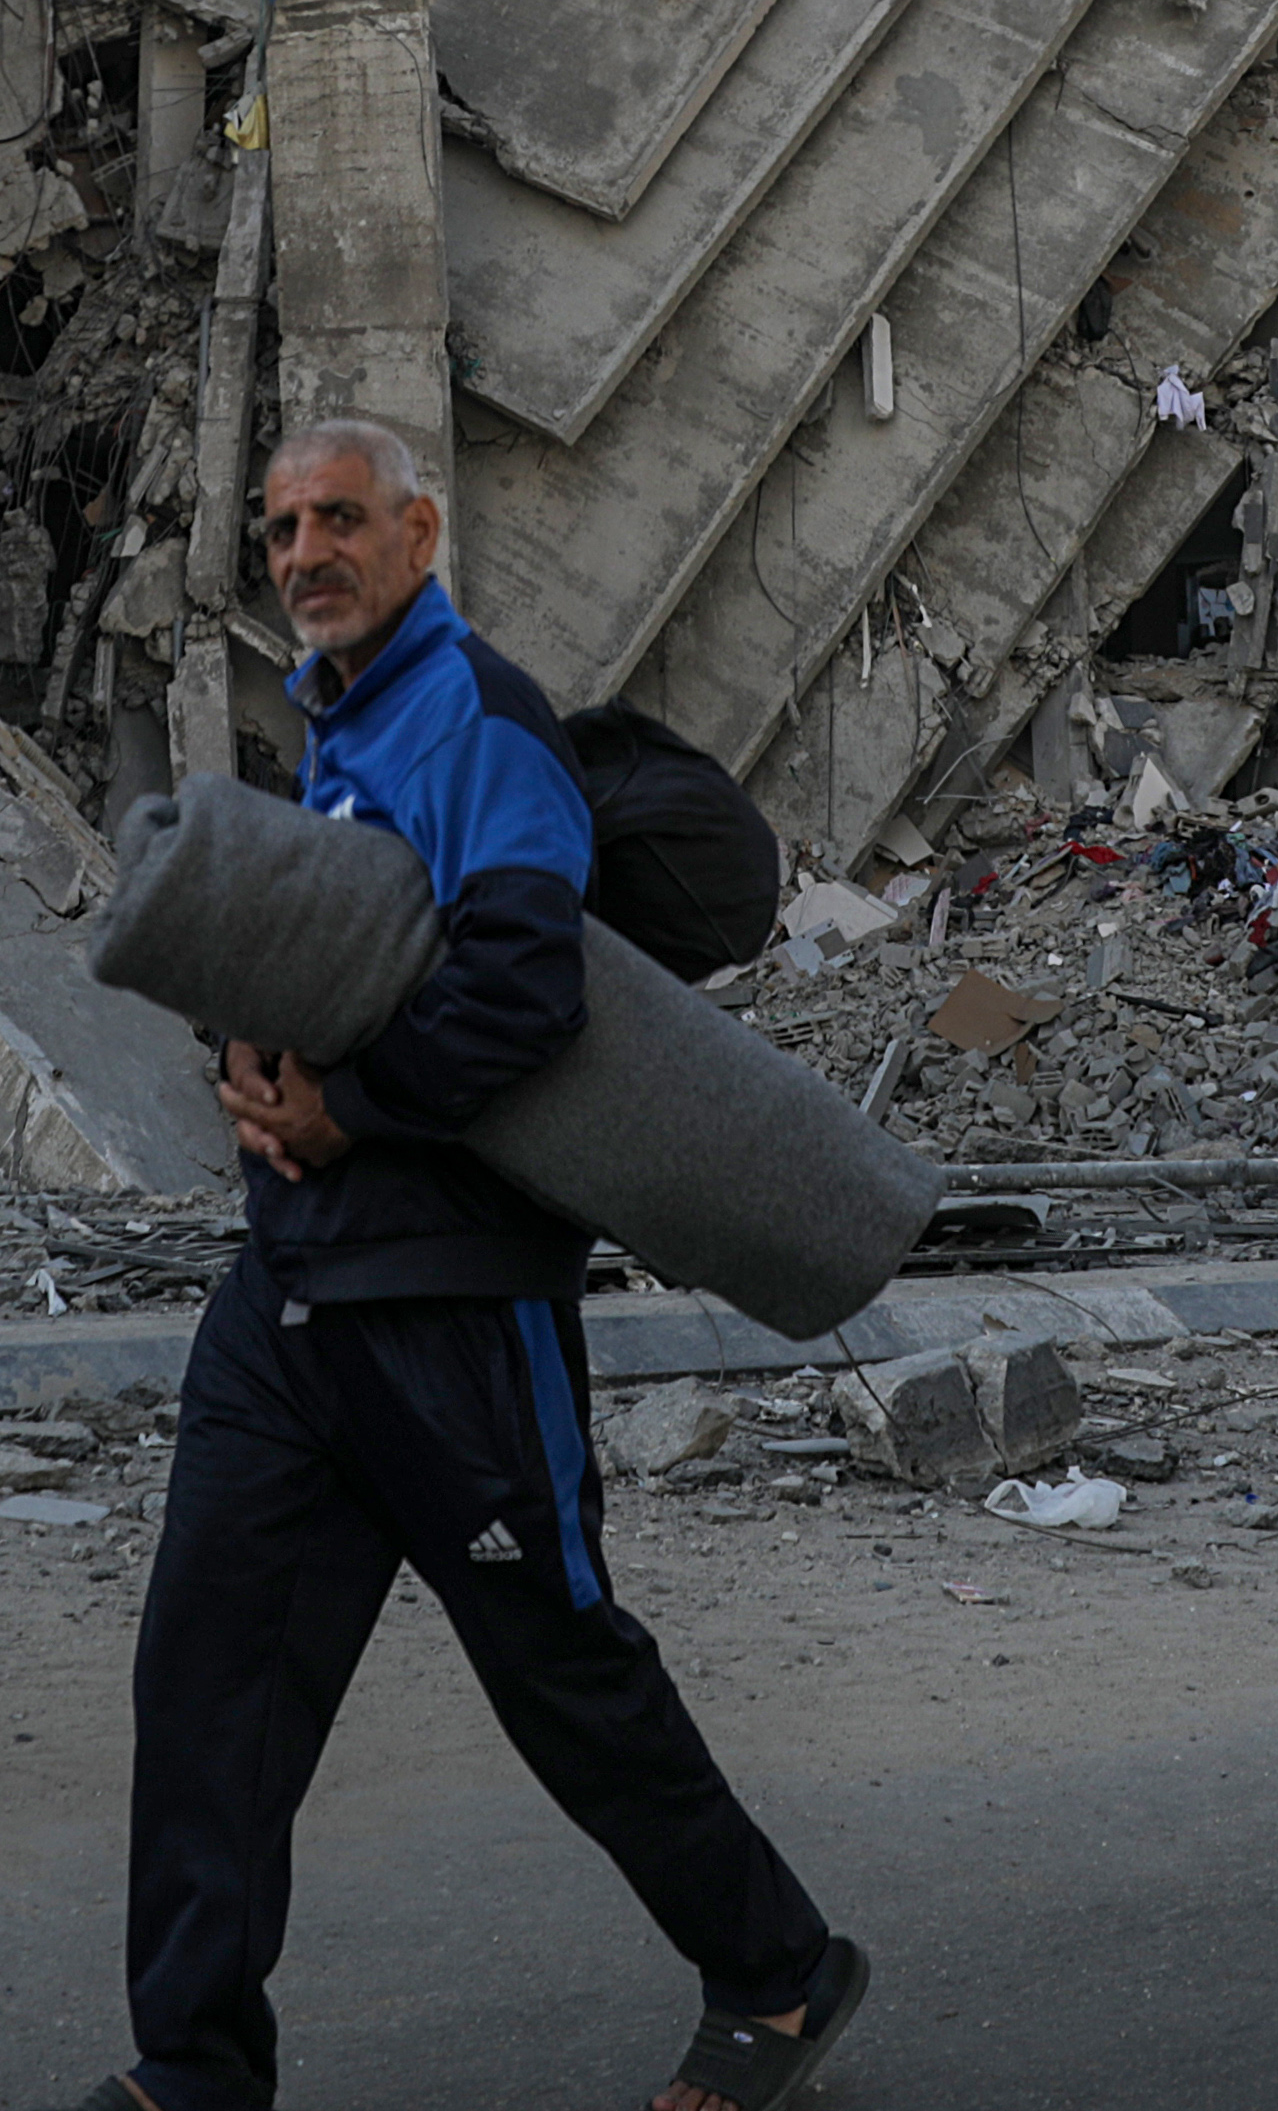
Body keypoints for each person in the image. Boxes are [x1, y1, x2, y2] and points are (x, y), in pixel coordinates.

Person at [71, 419, 864, 2111]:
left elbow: (521, 984)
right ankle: (191, 2065)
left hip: (451, 1299)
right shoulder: (338, 726)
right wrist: (250, 1062)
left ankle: (779, 1971)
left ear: (418, 536)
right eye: (280, 528)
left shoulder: (476, 716)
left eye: (338, 519)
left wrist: (348, 1110)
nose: (304, 552)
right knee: (207, 1680)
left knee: (559, 1673)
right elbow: (332, 954)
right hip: (286, 1301)